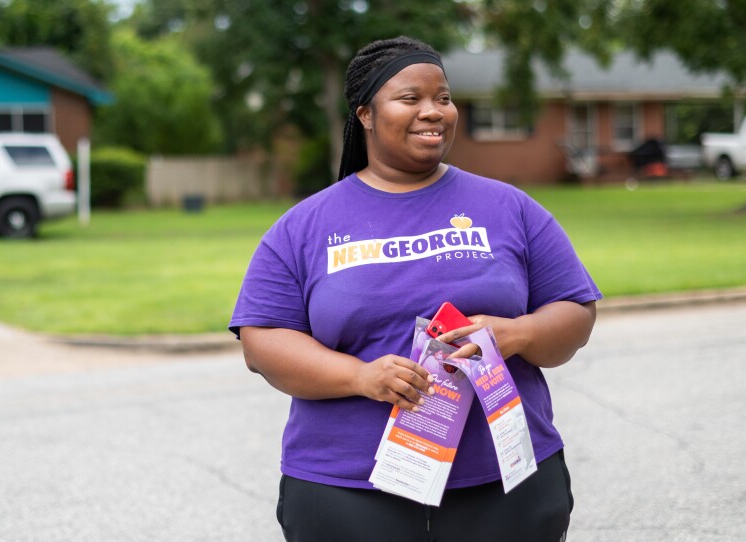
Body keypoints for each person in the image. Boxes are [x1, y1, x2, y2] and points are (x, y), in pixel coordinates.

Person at [229, 36, 602, 542]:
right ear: (365, 113)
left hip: (504, 485)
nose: (433, 112)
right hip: (348, 494)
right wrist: (361, 376)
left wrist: (517, 334)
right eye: (411, 98)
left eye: (443, 98)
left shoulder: (509, 207)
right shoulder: (304, 226)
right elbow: (262, 342)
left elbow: (576, 312)